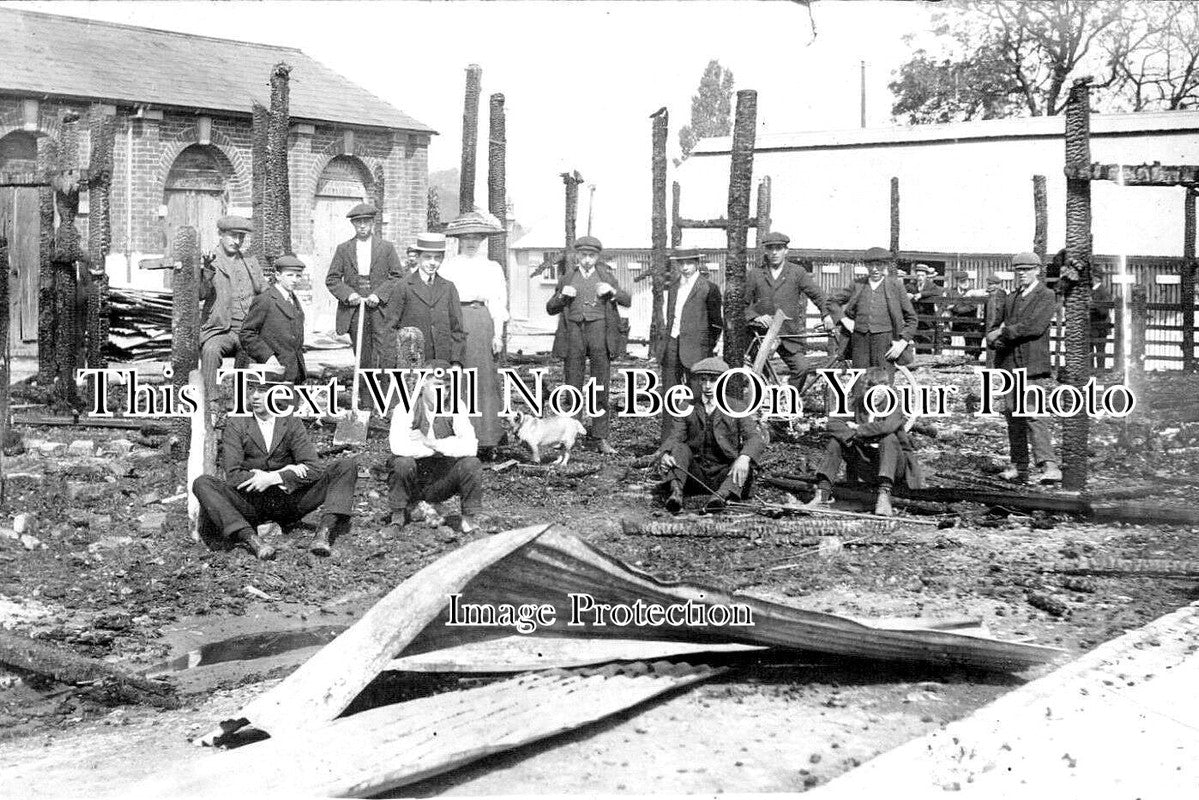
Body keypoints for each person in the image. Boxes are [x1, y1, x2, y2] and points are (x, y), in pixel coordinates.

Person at [191, 379, 359, 559]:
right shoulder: (237, 423)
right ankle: (252, 540)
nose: (254, 395)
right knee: (202, 483)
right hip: (251, 503)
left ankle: (324, 533)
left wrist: (274, 477)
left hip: (290, 502)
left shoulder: (290, 421)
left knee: (346, 466)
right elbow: (233, 475)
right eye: (251, 389)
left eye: (262, 390)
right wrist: (289, 470)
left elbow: (314, 468)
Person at [546, 236, 631, 455]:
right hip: (573, 333)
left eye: (591, 256)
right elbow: (551, 307)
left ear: (597, 257)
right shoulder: (567, 278)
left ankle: (599, 437)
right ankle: (569, 434)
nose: (586, 260)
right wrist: (562, 296)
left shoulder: (606, 277)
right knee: (572, 385)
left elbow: (626, 299)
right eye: (583, 255)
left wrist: (611, 292)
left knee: (599, 385)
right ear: (577, 256)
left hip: (599, 333)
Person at [381, 361, 484, 536]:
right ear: (423, 384)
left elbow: (470, 446)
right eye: (438, 385)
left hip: (440, 478)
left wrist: (431, 443)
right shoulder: (406, 407)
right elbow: (399, 446)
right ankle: (397, 518)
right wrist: (447, 446)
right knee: (402, 463)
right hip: (413, 480)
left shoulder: (456, 406)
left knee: (471, 464)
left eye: (448, 387)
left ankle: (469, 523)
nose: (444, 392)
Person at [807, 367, 925, 517]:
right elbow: (833, 423)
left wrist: (859, 429)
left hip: (894, 467)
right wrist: (853, 435)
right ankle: (822, 494)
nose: (874, 395)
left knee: (888, 438)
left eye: (879, 390)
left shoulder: (894, 405)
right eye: (869, 390)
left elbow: (887, 427)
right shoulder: (858, 403)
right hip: (868, 464)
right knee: (835, 441)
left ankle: (884, 495)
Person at [987, 252, 1061, 485]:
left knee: (1033, 413)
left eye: (1027, 269)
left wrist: (1004, 332)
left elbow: (1035, 327)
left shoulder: (1046, 295)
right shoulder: (1010, 298)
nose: (1022, 274)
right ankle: (1019, 464)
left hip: (1031, 365)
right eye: (1018, 270)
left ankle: (1049, 465)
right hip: (1009, 364)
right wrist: (995, 338)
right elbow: (993, 329)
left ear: (1038, 270)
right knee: (1012, 414)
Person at [656, 358, 765, 515]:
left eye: (713, 380)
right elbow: (675, 436)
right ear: (699, 382)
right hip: (695, 475)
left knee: (745, 464)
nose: (708, 386)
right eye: (704, 380)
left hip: (726, 473)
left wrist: (744, 458)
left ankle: (720, 497)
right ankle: (676, 494)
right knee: (679, 449)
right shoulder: (686, 406)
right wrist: (665, 453)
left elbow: (754, 438)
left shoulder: (736, 407)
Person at [440, 211, 508, 455]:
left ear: (483, 240)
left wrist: (497, 334)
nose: (471, 242)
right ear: (458, 239)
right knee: (458, 378)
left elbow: (498, 302)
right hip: (457, 320)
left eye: (476, 237)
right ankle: (460, 437)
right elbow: (443, 301)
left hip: (482, 322)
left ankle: (488, 438)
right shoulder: (448, 267)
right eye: (466, 237)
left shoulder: (492, 267)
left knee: (485, 378)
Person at [744, 231, 834, 387]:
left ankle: (788, 401)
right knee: (760, 377)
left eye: (778, 248)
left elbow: (818, 295)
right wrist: (755, 317)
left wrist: (826, 314)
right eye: (770, 248)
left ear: (786, 250)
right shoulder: (755, 274)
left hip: (788, 335)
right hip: (762, 335)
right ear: (765, 250)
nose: (774, 253)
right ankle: (762, 408)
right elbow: (742, 304)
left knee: (802, 368)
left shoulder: (797, 272)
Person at [325, 203, 406, 369]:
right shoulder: (344, 249)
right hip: (355, 307)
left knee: (384, 351)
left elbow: (397, 275)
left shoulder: (386, 248)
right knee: (362, 353)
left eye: (366, 222)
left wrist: (379, 295)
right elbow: (332, 278)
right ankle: (365, 392)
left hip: (380, 307)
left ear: (372, 223)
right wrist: (348, 295)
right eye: (358, 222)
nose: (362, 226)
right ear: (353, 224)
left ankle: (383, 390)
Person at [655, 247, 723, 443]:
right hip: (672, 346)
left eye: (689, 263)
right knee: (670, 395)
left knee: (697, 394)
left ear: (697, 264)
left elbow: (716, 323)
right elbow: (671, 317)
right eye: (681, 264)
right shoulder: (675, 286)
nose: (685, 267)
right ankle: (668, 442)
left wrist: (705, 346)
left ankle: (696, 441)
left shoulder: (709, 288)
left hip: (697, 350)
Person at [199, 215, 266, 391]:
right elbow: (200, 294)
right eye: (232, 236)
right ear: (220, 234)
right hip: (221, 330)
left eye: (241, 237)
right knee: (211, 350)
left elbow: (265, 292)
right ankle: (209, 402)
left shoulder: (250, 263)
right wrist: (206, 271)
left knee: (252, 354)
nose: (237, 241)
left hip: (247, 331)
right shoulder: (210, 260)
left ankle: (242, 403)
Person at [390, 232, 468, 364]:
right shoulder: (403, 287)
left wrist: (456, 362)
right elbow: (390, 328)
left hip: (442, 360)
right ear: (418, 257)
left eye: (437, 258)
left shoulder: (448, 287)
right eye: (427, 257)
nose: (432, 263)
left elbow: (457, 330)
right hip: (412, 362)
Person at [838, 247, 917, 370]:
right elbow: (832, 302)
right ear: (866, 266)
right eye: (871, 265)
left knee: (883, 384)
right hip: (859, 342)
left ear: (885, 265)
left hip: (885, 342)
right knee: (860, 382)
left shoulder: (896, 286)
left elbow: (912, 318)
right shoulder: (857, 284)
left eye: (879, 265)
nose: (875, 269)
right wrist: (844, 319)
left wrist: (902, 342)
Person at [240, 255, 308, 383]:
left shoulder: (293, 300)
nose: (294, 280)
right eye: (290, 275)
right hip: (273, 371)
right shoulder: (266, 299)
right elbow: (247, 334)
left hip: (294, 371)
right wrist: (267, 356)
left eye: (298, 276)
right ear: (277, 275)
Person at [944, 270, 986, 361]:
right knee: (954, 344)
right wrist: (954, 307)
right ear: (957, 282)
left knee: (972, 340)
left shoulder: (972, 292)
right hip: (956, 323)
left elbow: (972, 307)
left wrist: (955, 308)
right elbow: (946, 305)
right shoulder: (951, 293)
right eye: (962, 281)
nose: (965, 283)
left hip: (970, 321)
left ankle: (971, 359)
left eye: (966, 280)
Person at [908, 263, 944, 354]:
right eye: (918, 275)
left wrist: (921, 295)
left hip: (927, 320)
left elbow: (938, 292)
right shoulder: (911, 286)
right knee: (917, 343)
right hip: (916, 319)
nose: (920, 277)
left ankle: (926, 364)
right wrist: (907, 295)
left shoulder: (931, 286)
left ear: (926, 276)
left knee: (927, 343)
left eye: (922, 275)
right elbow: (902, 292)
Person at [1090, 263, 1115, 372]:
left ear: (1095, 278)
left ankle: (1100, 373)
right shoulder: (1090, 291)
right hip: (1090, 327)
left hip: (1100, 327)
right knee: (1089, 351)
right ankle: (1090, 372)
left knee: (1100, 351)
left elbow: (1104, 311)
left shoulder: (1103, 292)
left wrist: (1092, 304)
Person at [983, 273, 1008, 369]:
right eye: (988, 284)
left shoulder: (999, 295)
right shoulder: (992, 294)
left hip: (995, 325)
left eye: (991, 284)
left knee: (994, 346)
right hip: (992, 325)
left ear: (998, 285)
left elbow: (997, 313)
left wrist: (993, 326)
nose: (989, 286)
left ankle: (993, 368)